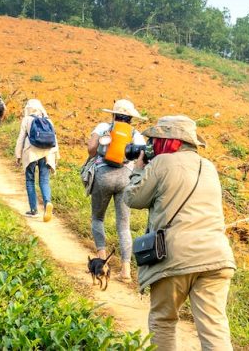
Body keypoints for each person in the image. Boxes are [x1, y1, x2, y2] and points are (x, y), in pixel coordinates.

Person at [125, 115, 236, 351]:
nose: (152, 146)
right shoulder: (209, 167)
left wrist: (137, 170)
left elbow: (133, 198)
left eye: (155, 140)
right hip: (217, 257)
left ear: (169, 141)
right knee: (214, 328)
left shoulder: (163, 162)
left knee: (163, 320)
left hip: (175, 255)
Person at [87, 99, 147, 281]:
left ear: (113, 114)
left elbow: (91, 148)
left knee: (98, 218)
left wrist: (98, 153)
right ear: (131, 118)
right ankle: (126, 271)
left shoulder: (103, 127)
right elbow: (142, 160)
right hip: (125, 178)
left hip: (103, 176)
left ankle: (101, 261)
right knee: (123, 225)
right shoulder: (136, 134)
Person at [14, 99, 59, 222]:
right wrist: (56, 157)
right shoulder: (48, 120)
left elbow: (21, 138)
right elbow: (55, 140)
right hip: (47, 154)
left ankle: (33, 210)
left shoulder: (27, 119)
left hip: (31, 153)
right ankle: (47, 203)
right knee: (44, 181)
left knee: (30, 180)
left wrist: (18, 155)